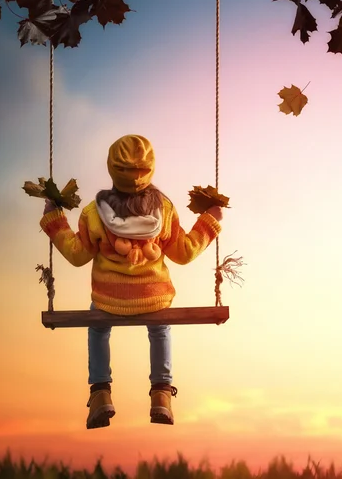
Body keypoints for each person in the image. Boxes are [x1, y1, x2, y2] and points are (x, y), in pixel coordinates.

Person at [39, 134, 223, 429]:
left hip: (108, 300)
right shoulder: (164, 210)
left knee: (98, 329)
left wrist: (54, 220)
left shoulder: (93, 214)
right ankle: (161, 393)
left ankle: (100, 392)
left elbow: (76, 255)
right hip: (154, 298)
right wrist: (209, 222)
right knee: (160, 328)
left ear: (112, 168)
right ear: (149, 169)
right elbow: (184, 252)